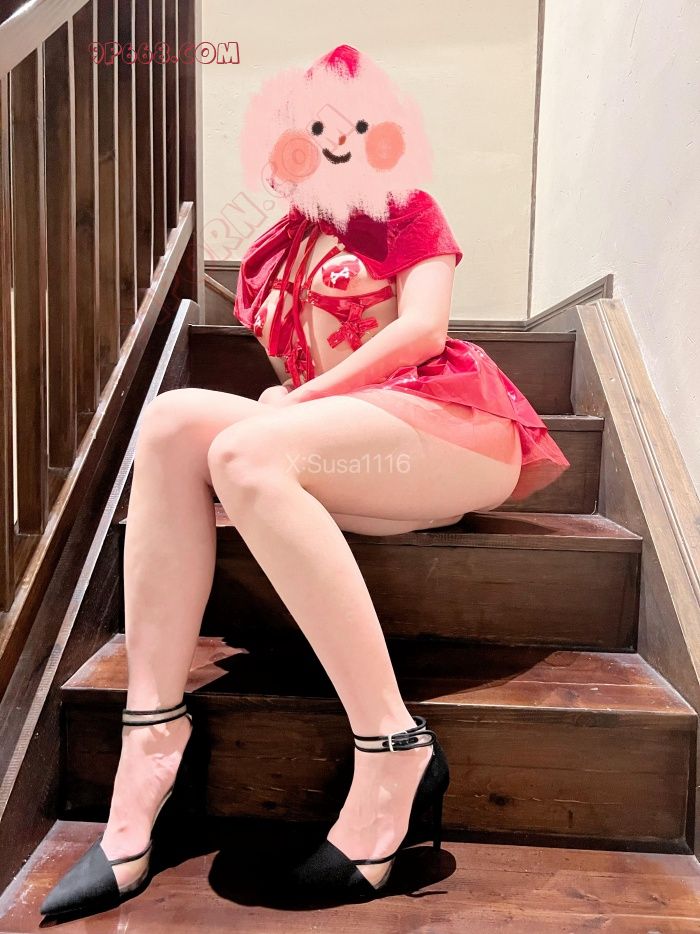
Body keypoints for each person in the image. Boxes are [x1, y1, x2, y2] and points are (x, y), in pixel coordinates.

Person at [40, 44, 570, 916]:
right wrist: (289, 406)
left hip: (450, 424)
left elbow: (422, 334)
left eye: (353, 121)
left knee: (244, 452)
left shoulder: (405, 209)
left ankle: (393, 744)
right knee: (171, 422)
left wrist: (293, 408)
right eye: (311, 124)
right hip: (360, 446)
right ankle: (152, 737)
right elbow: (304, 384)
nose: (333, 138)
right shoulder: (274, 254)